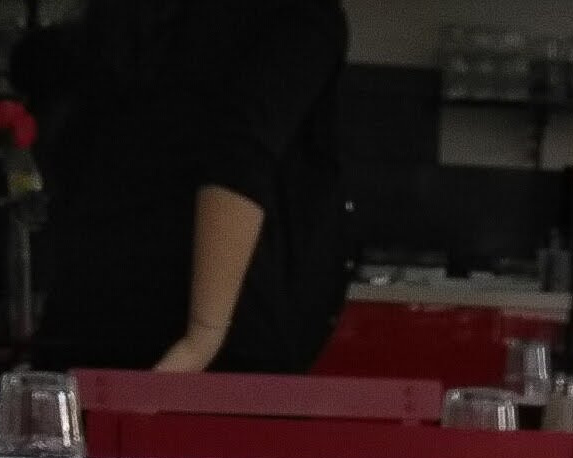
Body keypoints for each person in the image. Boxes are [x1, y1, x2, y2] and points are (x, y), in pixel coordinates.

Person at [19, 0, 349, 374]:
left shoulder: (129, 21)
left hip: (87, 320)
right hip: (215, 347)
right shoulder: (296, 14)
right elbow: (240, 155)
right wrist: (202, 338)